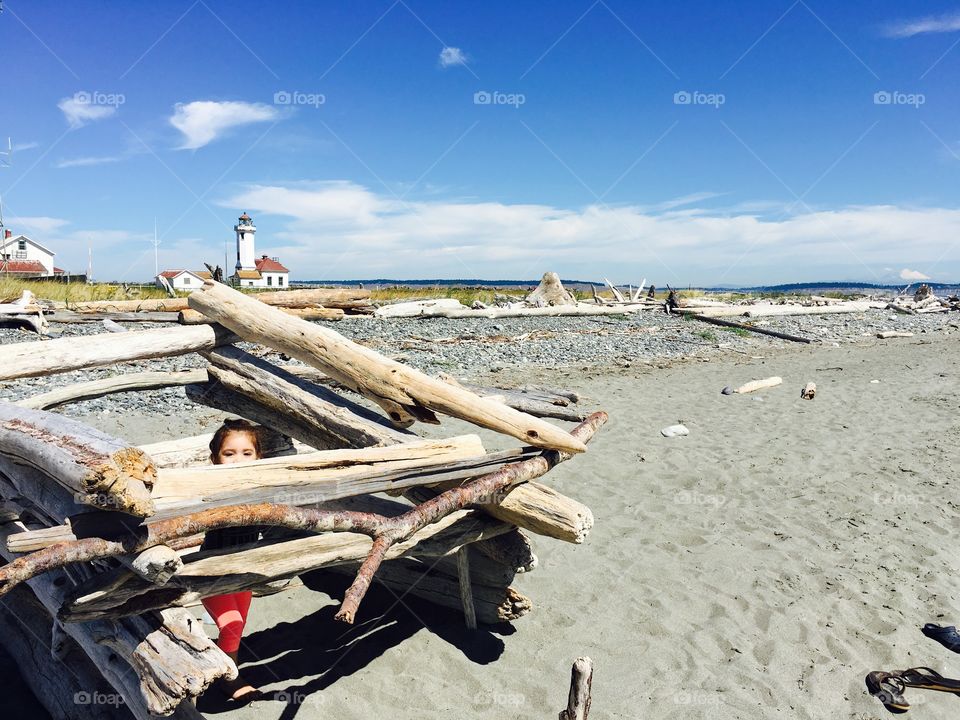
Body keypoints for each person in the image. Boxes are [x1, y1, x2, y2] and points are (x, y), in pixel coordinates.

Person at [202, 419, 264, 703]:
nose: (238, 460)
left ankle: (227, 664)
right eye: (229, 454)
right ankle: (230, 679)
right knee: (232, 622)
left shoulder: (263, 488)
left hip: (244, 567)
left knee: (239, 622)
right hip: (212, 569)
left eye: (246, 453)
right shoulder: (213, 489)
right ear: (215, 459)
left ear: (258, 457)